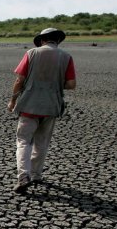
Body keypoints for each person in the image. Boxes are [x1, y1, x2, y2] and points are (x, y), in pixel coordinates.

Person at [8, 28, 76, 194]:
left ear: (42, 40)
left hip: (29, 105)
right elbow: (71, 84)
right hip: (51, 106)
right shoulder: (66, 57)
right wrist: (54, 82)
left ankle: (23, 176)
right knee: (42, 142)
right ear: (57, 41)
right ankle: (36, 175)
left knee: (24, 141)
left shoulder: (32, 54)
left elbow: (19, 80)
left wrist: (13, 100)